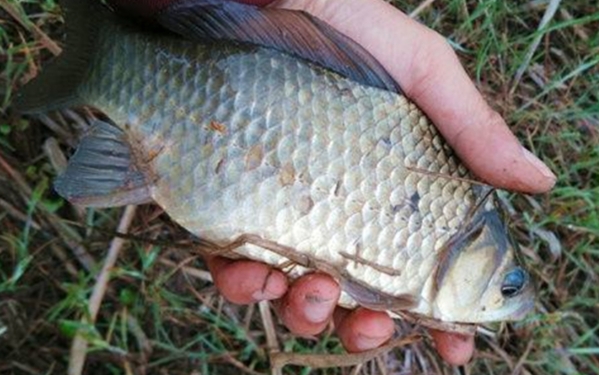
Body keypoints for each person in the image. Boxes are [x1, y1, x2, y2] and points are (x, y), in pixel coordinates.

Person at [110, 0, 556, 366]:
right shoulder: (420, 258)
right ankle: (107, 61)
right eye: (508, 284)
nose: (506, 295)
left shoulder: (427, 252)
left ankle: (110, 68)